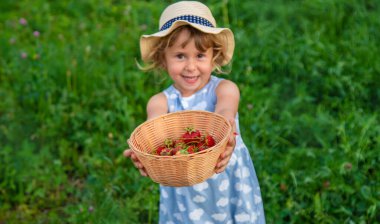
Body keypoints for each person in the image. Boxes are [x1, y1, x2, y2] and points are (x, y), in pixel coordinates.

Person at [124, 1, 266, 223]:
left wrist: (225, 136)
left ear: (214, 57)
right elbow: (155, 129)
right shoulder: (160, 101)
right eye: (180, 56)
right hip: (184, 193)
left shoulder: (224, 89)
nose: (190, 66)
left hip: (226, 180)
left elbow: (224, 114)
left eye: (200, 55)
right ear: (163, 58)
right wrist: (144, 152)